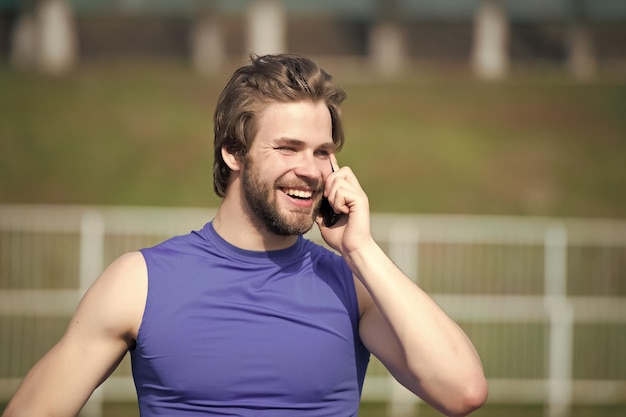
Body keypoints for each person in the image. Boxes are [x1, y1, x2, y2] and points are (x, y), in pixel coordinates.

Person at [2, 54, 487, 417]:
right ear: (234, 151)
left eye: (322, 152)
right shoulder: (139, 282)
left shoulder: (350, 282)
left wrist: (361, 248)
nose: (310, 170)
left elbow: (462, 391)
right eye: (288, 148)